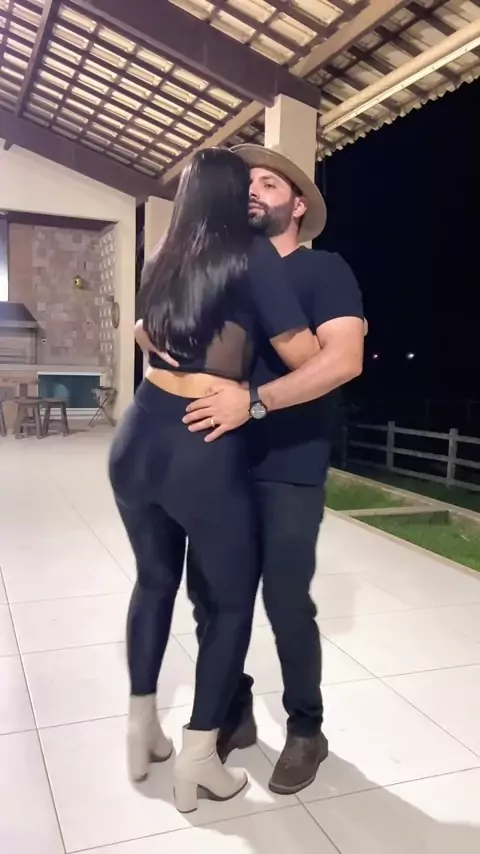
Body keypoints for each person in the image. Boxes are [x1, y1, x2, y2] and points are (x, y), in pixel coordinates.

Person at [109, 147, 320, 813]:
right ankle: (199, 757)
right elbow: (305, 355)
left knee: (153, 582)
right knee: (231, 602)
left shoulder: (165, 254)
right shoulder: (252, 256)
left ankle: (141, 727)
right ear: (231, 196)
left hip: (138, 434)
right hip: (201, 443)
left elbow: (143, 330)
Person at [181, 144, 365, 795]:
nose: (253, 190)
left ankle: (306, 728)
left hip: (291, 461)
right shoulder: (226, 273)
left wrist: (254, 402)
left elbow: (343, 361)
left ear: (298, 204)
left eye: (269, 182)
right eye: (247, 183)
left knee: (286, 601)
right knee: (210, 596)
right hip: (218, 463)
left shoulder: (325, 270)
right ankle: (233, 710)